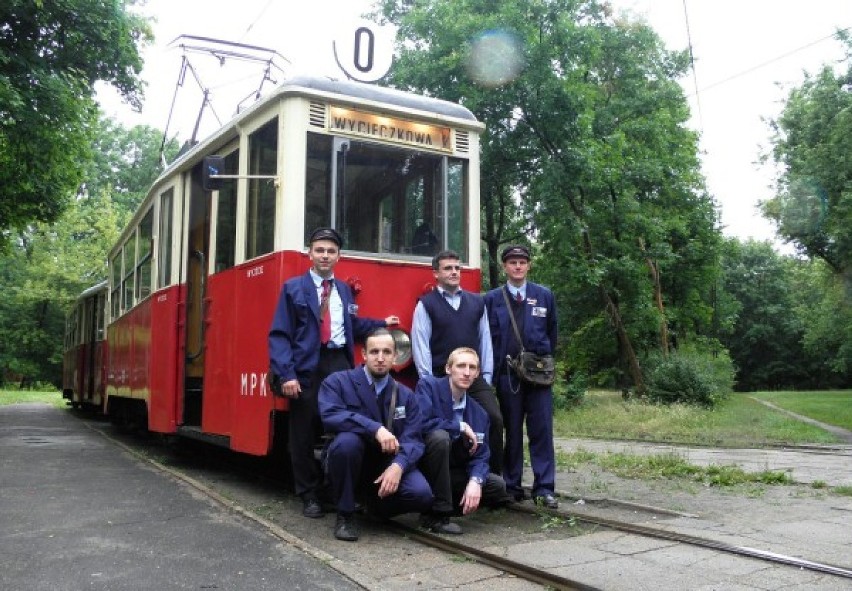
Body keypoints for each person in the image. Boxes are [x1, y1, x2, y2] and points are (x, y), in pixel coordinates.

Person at [268, 227, 400, 519]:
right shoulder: (293, 288)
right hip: (305, 368)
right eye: (319, 250)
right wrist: (286, 374)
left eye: (330, 251)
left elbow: (351, 326)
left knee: (345, 427)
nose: (325, 256)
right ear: (310, 254)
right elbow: (279, 335)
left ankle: (339, 489)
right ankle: (309, 494)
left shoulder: (342, 289)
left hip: (339, 366)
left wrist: (382, 323)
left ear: (338, 256)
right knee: (302, 434)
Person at [318, 328, 433, 541]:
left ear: (395, 356)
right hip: (350, 462)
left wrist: (399, 466)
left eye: (387, 352)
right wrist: (375, 428)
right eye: (374, 352)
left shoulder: (406, 395)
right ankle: (345, 514)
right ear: (364, 355)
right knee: (346, 443)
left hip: (385, 465)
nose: (380, 358)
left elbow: (414, 439)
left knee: (422, 495)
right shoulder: (338, 382)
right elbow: (330, 415)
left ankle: (374, 506)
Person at [411, 249, 504, 476]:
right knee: (442, 427)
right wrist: (428, 381)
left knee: (494, 418)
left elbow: (485, 341)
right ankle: (447, 477)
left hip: (474, 378)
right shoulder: (426, 305)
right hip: (441, 379)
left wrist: (486, 376)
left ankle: (490, 479)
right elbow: (420, 343)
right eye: (447, 268)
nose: (454, 272)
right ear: (435, 273)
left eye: (457, 268)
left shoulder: (476, 302)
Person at [484, 245, 559, 509]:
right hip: (507, 376)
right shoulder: (492, 298)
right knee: (512, 431)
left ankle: (544, 488)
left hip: (539, 376)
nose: (518, 266)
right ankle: (512, 485)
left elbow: (552, 333)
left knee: (541, 430)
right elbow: (488, 340)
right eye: (513, 262)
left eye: (522, 262)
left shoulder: (544, 295)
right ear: (504, 266)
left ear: (529, 265)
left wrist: (539, 361)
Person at [416, 347, 514, 534]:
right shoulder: (428, 387)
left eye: (472, 367)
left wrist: (475, 481)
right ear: (448, 369)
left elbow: (481, 456)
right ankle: (439, 515)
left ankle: (434, 509)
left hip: (452, 473)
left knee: (496, 486)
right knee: (440, 436)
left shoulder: (479, 413)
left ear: (477, 373)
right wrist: (459, 426)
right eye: (461, 366)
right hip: (424, 469)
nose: (466, 372)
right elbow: (420, 423)